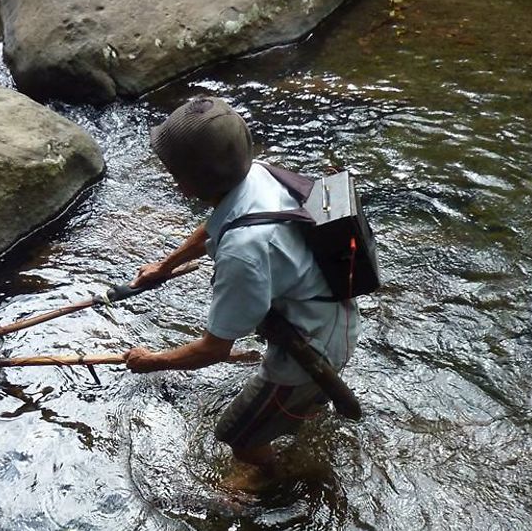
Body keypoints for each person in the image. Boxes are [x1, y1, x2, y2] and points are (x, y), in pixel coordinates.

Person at [124, 96, 357, 490]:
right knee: (302, 408)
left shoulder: (242, 251)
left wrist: (152, 361)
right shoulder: (258, 173)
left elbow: (213, 350)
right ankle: (306, 415)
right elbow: (217, 225)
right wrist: (166, 266)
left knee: (237, 435)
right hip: (332, 313)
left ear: (184, 184)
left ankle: (271, 477)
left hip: (310, 352)